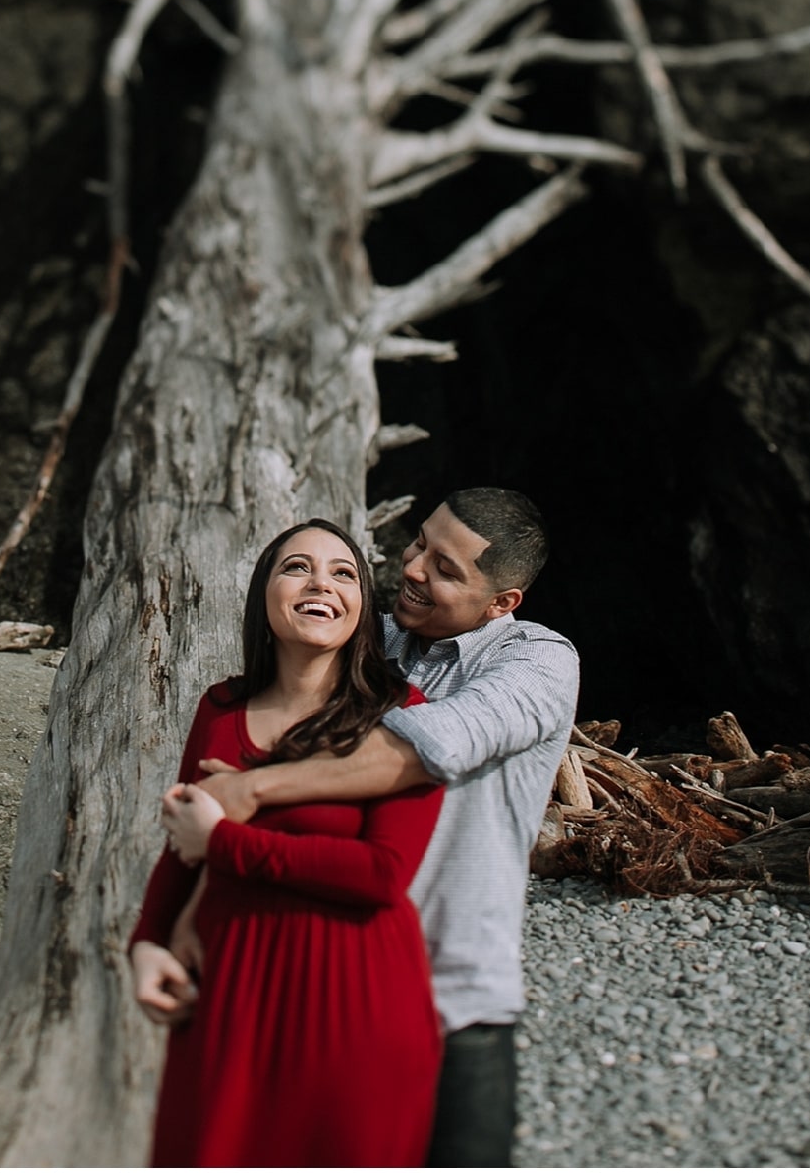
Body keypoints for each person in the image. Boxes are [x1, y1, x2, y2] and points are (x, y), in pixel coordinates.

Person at [179, 488, 578, 1167]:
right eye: (420, 543)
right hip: (317, 972)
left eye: (447, 570)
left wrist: (251, 787)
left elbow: (424, 748)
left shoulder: (536, 663)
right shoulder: (370, 638)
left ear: (501, 603)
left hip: (453, 994)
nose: (414, 568)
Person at [129, 520, 443, 1168]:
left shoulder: (401, 712)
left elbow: (382, 874)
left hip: (354, 997)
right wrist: (147, 945)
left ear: (361, 608)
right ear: (263, 597)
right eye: (296, 567)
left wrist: (227, 844)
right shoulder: (219, 709)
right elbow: (184, 845)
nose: (320, 583)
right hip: (229, 993)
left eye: (343, 572)